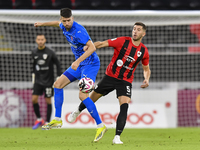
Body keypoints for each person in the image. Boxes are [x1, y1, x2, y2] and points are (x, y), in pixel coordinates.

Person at [68, 22, 151, 144]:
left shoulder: (143, 51)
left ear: (143, 34)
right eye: (134, 29)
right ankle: (77, 111)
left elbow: (146, 68)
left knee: (124, 106)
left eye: (138, 30)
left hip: (125, 81)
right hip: (110, 77)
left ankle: (117, 137)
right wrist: (90, 47)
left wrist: (146, 79)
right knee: (92, 98)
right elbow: (102, 43)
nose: (135, 31)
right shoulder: (123, 41)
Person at [34, 8, 107, 142]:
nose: (67, 23)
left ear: (72, 18)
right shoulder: (62, 24)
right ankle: (57, 119)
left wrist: (77, 61)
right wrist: (42, 24)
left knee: (82, 95)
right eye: (65, 21)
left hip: (90, 64)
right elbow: (57, 23)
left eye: (69, 20)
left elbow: (92, 48)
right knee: (58, 84)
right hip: (79, 65)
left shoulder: (79, 31)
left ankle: (100, 125)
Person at [31, 33, 62, 130]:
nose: (40, 41)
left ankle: (48, 122)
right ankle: (39, 119)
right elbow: (33, 66)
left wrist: (58, 76)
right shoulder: (34, 52)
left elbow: (58, 64)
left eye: (42, 39)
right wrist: (33, 76)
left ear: (45, 40)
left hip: (49, 81)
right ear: (36, 41)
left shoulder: (50, 52)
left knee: (48, 100)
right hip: (38, 80)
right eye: (38, 39)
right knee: (34, 99)